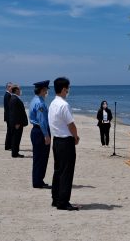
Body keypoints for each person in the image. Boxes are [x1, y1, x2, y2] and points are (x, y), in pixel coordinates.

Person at [48, 77, 80, 211]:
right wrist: (76, 136)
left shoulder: (53, 103)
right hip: (65, 140)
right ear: (63, 89)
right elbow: (71, 124)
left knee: (58, 170)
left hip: (56, 140)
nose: (68, 91)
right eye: (67, 88)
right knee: (66, 172)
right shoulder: (63, 105)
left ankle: (56, 199)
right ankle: (63, 201)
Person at [29, 80, 51, 188]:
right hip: (40, 132)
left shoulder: (35, 100)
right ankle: (38, 181)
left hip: (37, 131)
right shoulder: (40, 102)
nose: (47, 91)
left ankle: (38, 180)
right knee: (41, 158)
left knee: (39, 157)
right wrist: (46, 135)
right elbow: (42, 121)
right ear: (43, 90)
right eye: (46, 89)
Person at [9, 84, 28, 158]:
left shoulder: (14, 98)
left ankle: (15, 152)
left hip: (18, 122)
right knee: (16, 138)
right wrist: (17, 123)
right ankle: (15, 153)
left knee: (17, 138)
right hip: (17, 123)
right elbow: (14, 112)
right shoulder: (14, 99)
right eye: (19, 90)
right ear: (16, 91)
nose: (20, 91)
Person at [3, 82, 13, 151]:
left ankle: (8, 146)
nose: (12, 88)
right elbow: (9, 107)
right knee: (9, 131)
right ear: (8, 87)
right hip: (9, 116)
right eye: (11, 87)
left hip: (8, 116)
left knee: (9, 131)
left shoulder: (8, 95)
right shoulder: (8, 95)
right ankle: (8, 146)